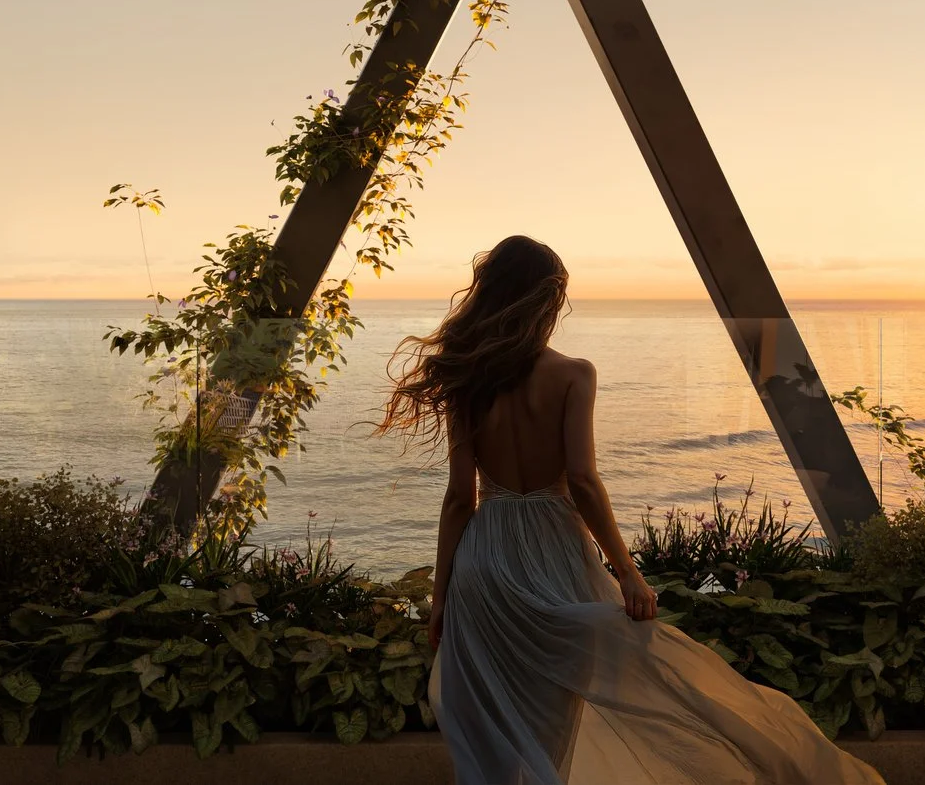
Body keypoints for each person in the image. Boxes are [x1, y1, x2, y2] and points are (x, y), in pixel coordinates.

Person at [379, 235, 885, 785]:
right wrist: (628, 573)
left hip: (487, 565)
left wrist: (441, 598)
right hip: (556, 557)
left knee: (495, 727)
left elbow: (460, 497)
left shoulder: (467, 380)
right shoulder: (574, 374)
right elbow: (582, 481)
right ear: (548, 299)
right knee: (553, 724)